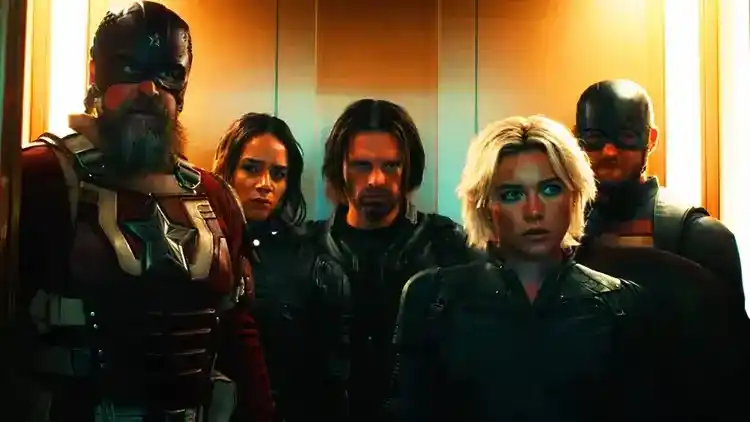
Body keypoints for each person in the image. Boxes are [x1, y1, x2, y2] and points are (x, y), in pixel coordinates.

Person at [7, 2, 273, 421]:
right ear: (95, 74)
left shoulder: (215, 197)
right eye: (130, 67)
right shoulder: (38, 179)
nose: (150, 89)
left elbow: (238, 332)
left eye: (169, 74)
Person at [395, 115, 727, 422]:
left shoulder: (622, 305)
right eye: (512, 194)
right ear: (486, 206)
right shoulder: (433, 298)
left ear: (574, 196)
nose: (534, 210)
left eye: (550, 189)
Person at [309, 98, 479, 422]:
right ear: (340, 168)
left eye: (390, 166)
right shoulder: (307, 249)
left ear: (407, 169)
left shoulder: (449, 248)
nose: (376, 179)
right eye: (362, 165)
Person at [213, 112, 350, 421]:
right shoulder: (200, 244)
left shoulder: (310, 262)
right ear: (227, 169)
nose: (265, 185)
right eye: (251, 168)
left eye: (278, 174)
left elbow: (330, 380)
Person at [572, 79, 744, 306]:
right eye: (595, 137)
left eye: (627, 136)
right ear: (576, 137)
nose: (610, 151)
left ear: (651, 139)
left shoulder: (700, 236)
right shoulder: (561, 230)